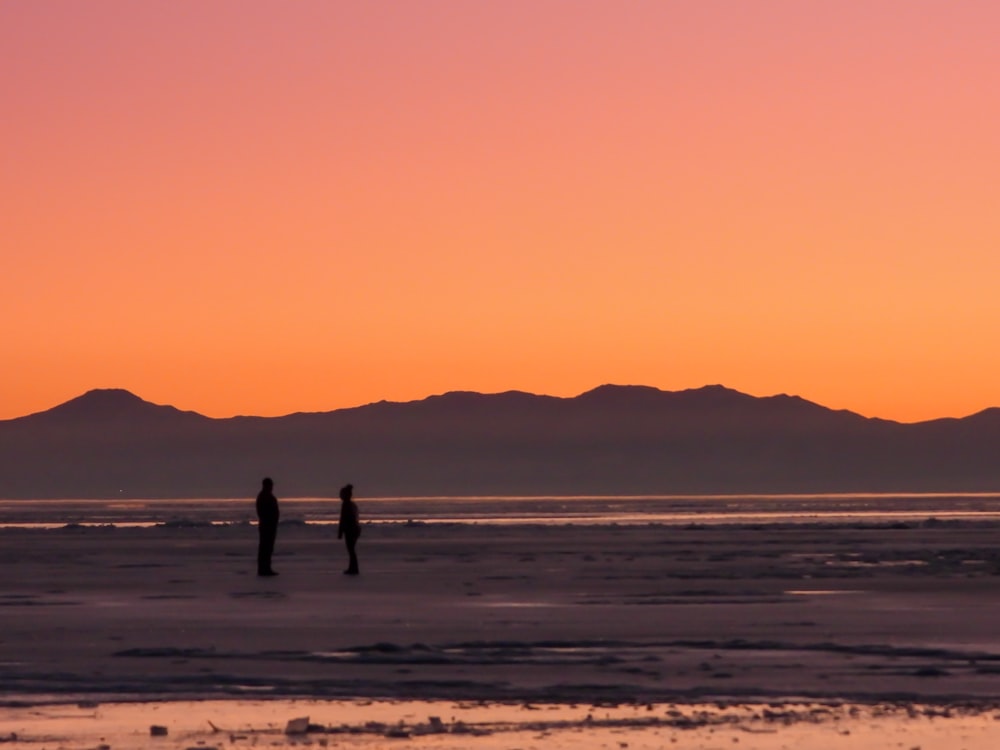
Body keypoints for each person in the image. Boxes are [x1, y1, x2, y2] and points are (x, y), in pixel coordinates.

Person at [255, 477, 280, 576]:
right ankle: (263, 569)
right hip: (266, 526)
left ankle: (266, 568)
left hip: (270, 526)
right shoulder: (264, 496)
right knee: (265, 548)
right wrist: (269, 521)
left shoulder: (267, 496)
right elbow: (261, 512)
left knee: (268, 548)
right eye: (270, 485)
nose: (272, 487)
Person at [337, 483, 361, 575]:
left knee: (351, 550)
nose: (340, 496)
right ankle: (353, 568)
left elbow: (343, 519)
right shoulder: (351, 504)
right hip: (354, 529)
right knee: (351, 550)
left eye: (341, 494)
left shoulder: (346, 505)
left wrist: (340, 532)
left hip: (350, 530)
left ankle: (353, 569)